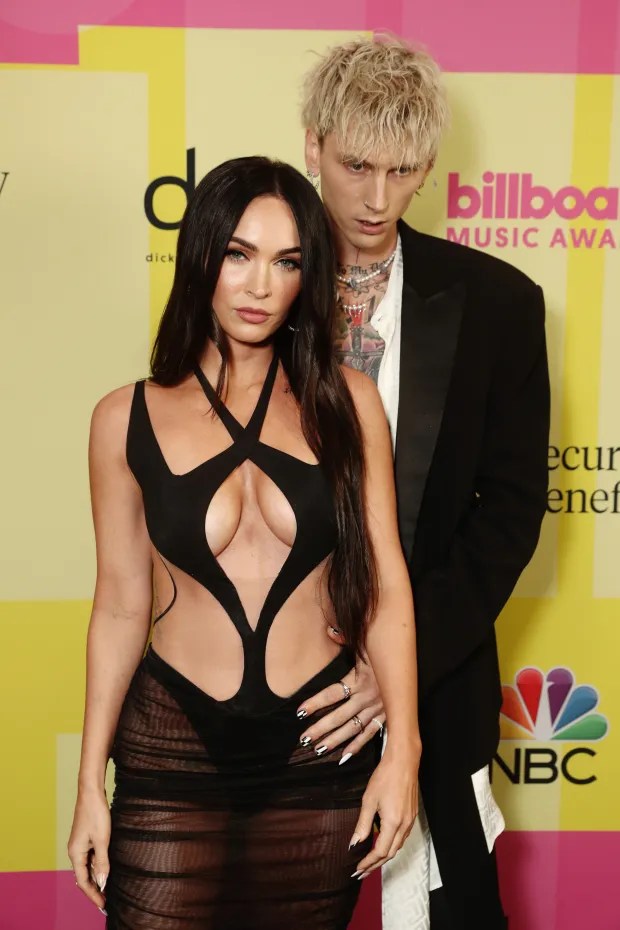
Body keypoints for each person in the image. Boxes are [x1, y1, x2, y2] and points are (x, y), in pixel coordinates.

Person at [67, 156, 421, 930]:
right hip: (171, 752)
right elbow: (122, 607)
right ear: (201, 257)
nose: (261, 286)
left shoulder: (350, 406)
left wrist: (403, 752)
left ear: (308, 276)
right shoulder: (123, 419)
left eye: (287, 262)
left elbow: (388, 583)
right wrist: (90, 782)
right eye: (239, 254)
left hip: (315, 755)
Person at [295, 36, 550, 930]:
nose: (375, 197)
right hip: (268, 673)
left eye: (401, 171)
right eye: (355, 164)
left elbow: (510, 514)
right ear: (312, 145)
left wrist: (392, 665)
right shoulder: (250, 291)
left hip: (437, 678)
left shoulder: (501, 305)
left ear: (428, 167)